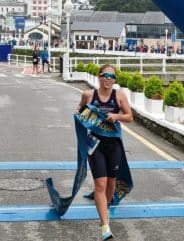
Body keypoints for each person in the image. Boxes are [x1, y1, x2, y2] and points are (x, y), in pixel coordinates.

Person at [77, 64, 133, 240]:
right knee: (100, 185)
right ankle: (104, 226)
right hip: (95, 145)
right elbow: (79, 112)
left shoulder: (119, 96)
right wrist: (84, 116)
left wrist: (116, 116)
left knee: (111, 184)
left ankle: (105, 209)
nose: (109, 79)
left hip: (114, 145)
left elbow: (130, 117)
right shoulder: (88, 95)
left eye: (112, 76)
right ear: (99, 76)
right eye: (105, 75)